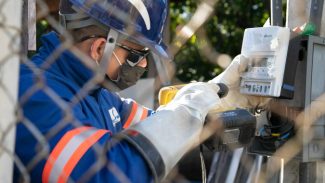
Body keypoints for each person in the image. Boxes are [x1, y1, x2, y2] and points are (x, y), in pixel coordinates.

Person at [15, 0, 268, 182]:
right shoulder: (33, 96)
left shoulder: (98, 95)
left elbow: (157, 124)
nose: (145, 65)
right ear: (101, 48)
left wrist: (220, 92)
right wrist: (186, 110)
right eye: (138, 55)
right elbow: (107, 174)